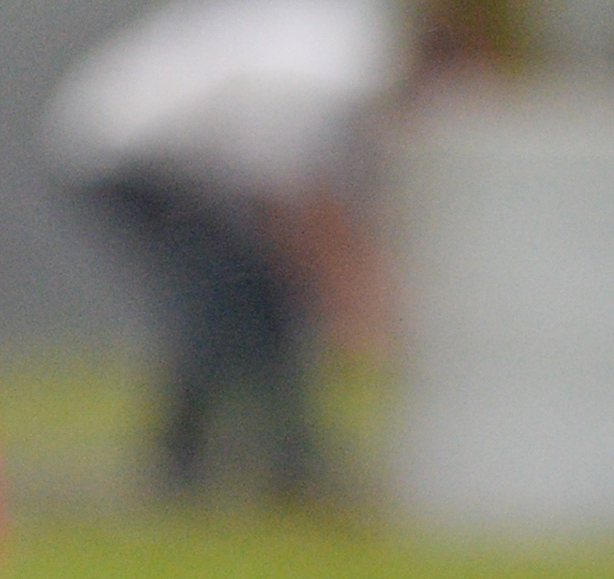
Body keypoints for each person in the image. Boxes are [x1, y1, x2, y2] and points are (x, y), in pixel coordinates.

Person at [43, 0, 403, 505]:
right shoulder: (330, 67)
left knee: (247, 302)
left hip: (188, 163)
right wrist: (350, 299)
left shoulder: (347, 42)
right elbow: (290, 196)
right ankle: (255, 464)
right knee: (224, 304)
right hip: (127, 155)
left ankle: (258, 460)